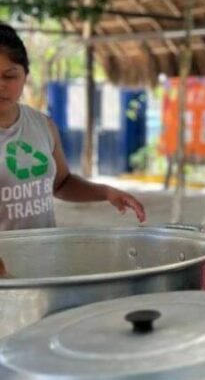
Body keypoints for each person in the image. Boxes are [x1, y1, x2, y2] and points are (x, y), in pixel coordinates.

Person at [0, 23, 146, 231]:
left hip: (43, 257)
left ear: (25, 76)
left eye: (9, 76)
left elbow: (61, 183)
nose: (1, 85)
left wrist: (106, 192)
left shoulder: (43, 125)